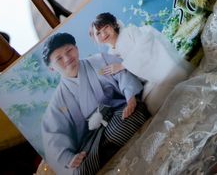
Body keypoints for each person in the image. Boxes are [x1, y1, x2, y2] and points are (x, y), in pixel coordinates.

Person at [41, 32, 149, 175]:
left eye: (69, 50)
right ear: (51, 68)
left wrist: (130, 98)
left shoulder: (100, 61)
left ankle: (105, 156)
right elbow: (54, 136)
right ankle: (104, 155)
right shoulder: (57, 103)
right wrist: (69, 158)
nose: (67, 58)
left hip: (119, 115)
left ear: (76, 49)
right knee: (80, 171)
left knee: (127, 122)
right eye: (59, 58)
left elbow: (122, 74)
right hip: (91, 141)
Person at [90, 13, 191, 114]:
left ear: (114, 24)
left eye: (106, 27)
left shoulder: (129, 32)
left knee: (172, 91)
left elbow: (147, 46)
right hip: (149, 81)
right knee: (152, 105)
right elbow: (125, 76)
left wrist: (123, 65)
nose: (103, 34)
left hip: (163, 69)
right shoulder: (111, 54)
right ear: (95, 38)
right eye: (98, 33)